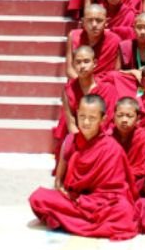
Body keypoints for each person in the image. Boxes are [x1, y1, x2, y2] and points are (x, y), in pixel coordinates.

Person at [29, 94, 139, 240]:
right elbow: (60, 184)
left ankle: (67, 221)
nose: (86, 122)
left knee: (123, 212)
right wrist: (65, 192)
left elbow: (116, 192)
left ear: (103, 119)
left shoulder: (112, 148)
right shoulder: (71, 141)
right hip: (76, 200)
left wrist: (87, 202)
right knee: (38, 198)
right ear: (76, 115)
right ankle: (77, 221)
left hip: (100, 204)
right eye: (82, 116)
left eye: (92, 118)